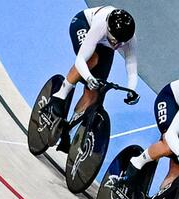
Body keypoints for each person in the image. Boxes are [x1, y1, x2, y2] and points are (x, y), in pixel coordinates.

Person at [47, 6, 139, 152]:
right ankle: (59, 96)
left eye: (120, 43)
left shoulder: (129, 38)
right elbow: (80, 60)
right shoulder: (101, 25)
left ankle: (67, 130)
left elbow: (132, 66)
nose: (116, 45)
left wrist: (131, 89)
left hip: (103, 43)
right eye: (114, 40)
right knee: (92, 59)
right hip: (84, 24)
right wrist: (89, 77)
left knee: (95, 93)